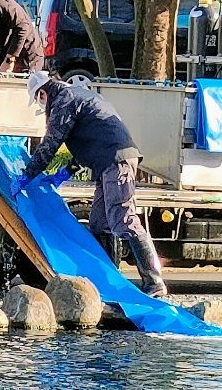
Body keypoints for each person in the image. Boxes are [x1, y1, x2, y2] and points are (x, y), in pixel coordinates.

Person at [15, 71, 168, 297]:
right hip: (109, 161)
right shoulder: (79, 96)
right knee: (100, 223)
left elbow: (51, 143)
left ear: (42, 92)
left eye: (39, 100)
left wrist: (28, 175)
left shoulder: (63, 100)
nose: (42, 107)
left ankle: (154, 281)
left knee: (123, 219)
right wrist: (65, 172)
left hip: (116, 161)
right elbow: (91, 138)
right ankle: (108, 280)